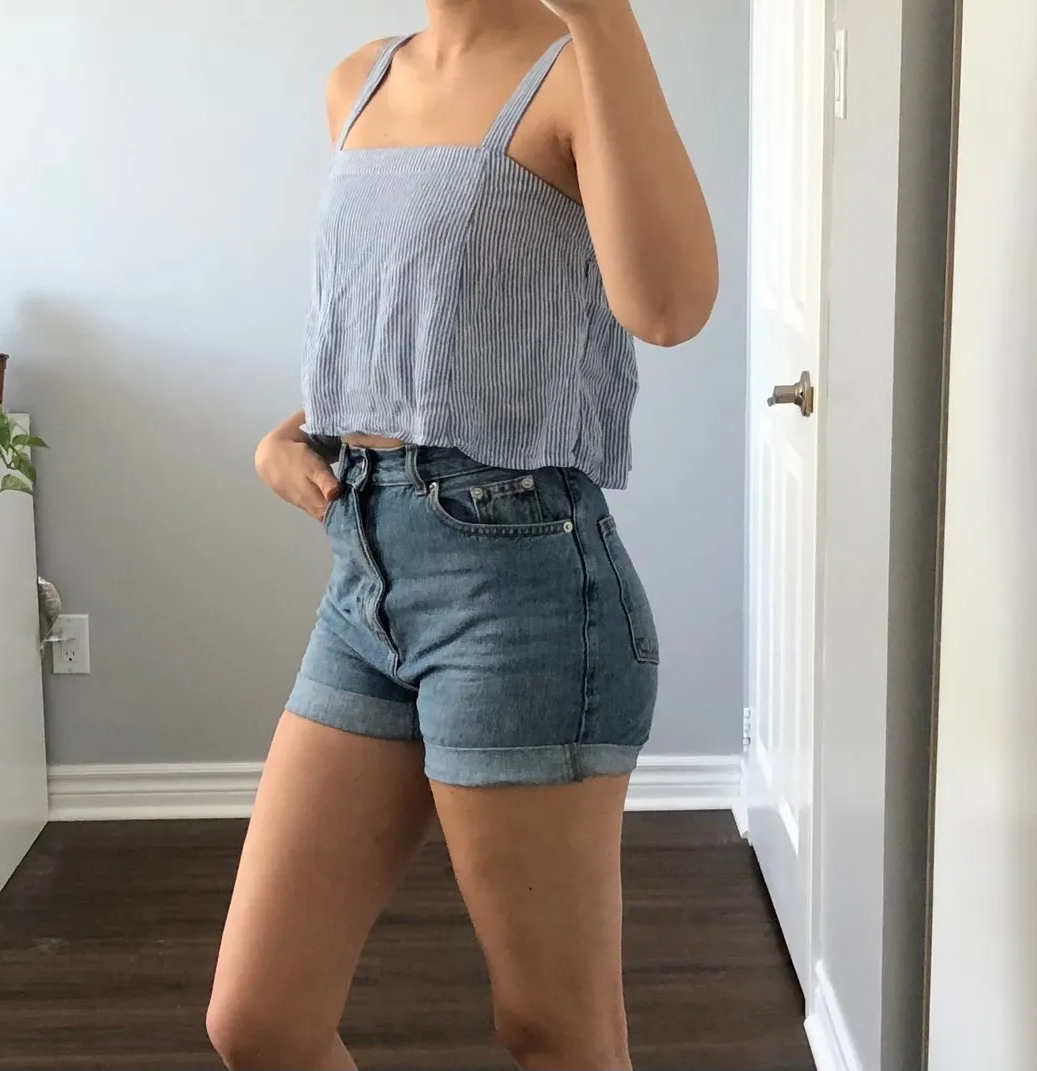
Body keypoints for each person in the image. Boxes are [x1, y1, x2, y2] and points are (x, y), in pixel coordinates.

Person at [206, 1, 718, 1068]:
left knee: (555, 1030)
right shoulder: (360, 80)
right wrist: (296, 433)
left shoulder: (575, 69)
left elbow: (670, 307)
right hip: (365, 571)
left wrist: (605, 18)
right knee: (258, 1021)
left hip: (524, 580)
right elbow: (427, 326)